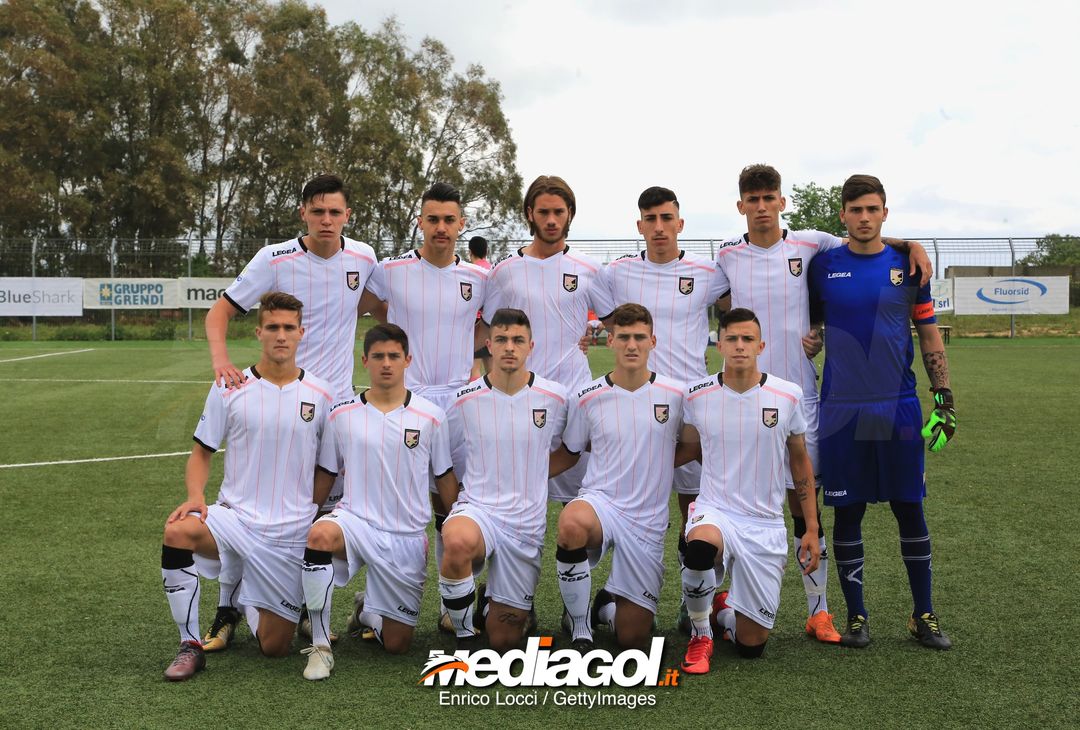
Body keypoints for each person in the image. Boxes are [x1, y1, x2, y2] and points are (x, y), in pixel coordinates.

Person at [712, 163, 934, 644]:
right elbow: (695, 297)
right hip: (744, 396)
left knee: (804, 499)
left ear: (782, 201)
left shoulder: (814, 244)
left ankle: (819, 611)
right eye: (753, 199)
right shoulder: (727, 256)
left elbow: (866, 239)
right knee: (738, 498)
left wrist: (909, 244)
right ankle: (729, 597)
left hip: (805, 396)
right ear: (741, 206)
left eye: (770, 197)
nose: (763, 207)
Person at [203, 173, 377, 644]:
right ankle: (225, 610)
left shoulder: (364, 258)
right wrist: (222, 363)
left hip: (333, 408)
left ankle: (304, 606)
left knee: (319, 513)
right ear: (303, 212)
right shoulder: (273, 258)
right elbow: (219, 311)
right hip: (278, 400)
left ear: (347, 215)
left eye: (335, 212)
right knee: (249, 506)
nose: (326, 220)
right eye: (317, 211)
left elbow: (383, 304)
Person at [808, 174, 955, 650]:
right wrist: (812, 338)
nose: (865, 217)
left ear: (885, 213)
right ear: (843, 215)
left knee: (908, 508)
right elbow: (811, 324)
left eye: (873, 209)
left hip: (898, 406)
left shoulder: (909, 266)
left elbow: (929, 334)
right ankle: (856, 616)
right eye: (856, 209)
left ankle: (924, 614)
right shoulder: (822, 266)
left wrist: (944, 398)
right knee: (847, 512)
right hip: (842, 409)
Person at [160, 292, 334, 681]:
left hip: (289, 533)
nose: (281, 335)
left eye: (289, 327)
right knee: (178, 531)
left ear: (301, 333)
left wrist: (312, 509)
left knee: (275, 648)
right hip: (235, 519)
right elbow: (202, 452)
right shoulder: (229, 386)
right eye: (273, 327)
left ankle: (243, 600)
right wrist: (194, 498)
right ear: (259, 332)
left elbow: (328, 466)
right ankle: (189, 645)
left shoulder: (321, 395)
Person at [357, 181, 490, 632]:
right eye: (432, 219)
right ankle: (379, 602)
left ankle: (454, 603)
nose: (441, 227)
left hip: (459, 401)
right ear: (420, 222)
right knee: (398, 503)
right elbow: (369, 305)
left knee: (456, 502)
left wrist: (470, 359)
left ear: (461, 225)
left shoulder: (478, 278)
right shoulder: (391, 270)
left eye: (449, 220)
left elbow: (487, 328)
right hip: (404, 401)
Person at [597, 186, 727, 630]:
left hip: (689, 409)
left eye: (666, 218)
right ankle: (615, 592)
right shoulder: (617, 273)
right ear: (639, 226)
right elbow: (579, 308)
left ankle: (696, 607)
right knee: (630, 503)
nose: (658, 227)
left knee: (694, 507)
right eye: (650, 219)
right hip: (634, 406)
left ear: (680, 223)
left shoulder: (708, 272)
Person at [299, 323, 457, 680]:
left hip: (405, 537)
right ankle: (321, 647)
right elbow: (326, 471)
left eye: (394, 356)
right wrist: (307, 515)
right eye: (378, 356)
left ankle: (367, 610)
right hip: (355, 521)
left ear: (407, 360)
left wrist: (458, 521)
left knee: (397, 645)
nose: (386, 363)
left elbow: (444, 476)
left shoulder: (432, 416)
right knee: (320, 536)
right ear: (365, 360)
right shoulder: (341, 413)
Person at [676, 308, 820, 675]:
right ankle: (701, 634)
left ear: (761, 345)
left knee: (750, 646)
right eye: (732, 339)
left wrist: (812, 529)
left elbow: (800, 461)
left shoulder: (788, 395)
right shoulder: (696, 395)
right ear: (719, 342)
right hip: (715, 510)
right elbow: (688, 450)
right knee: (699, 547)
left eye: (747, 339)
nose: (740, 346)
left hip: (765, 522)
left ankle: (725, 611)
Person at [550, 303, 685, 650]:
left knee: (634, 638)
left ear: (653, 341)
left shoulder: (676, 395)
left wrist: (653, 462)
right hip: (601, 503)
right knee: (571, 524)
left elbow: (693, 447)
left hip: (647, 518)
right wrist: (521, 476)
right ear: (609, 341)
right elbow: (569, 453)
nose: (631, 345)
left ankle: (605, 608)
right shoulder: (586, 396)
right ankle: (579, 625)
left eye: (640, 337)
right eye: (623, 337)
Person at [439, 308, 569, 651]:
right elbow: (443, 465)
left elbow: (570, 452)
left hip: (525, 524)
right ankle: (464, 637)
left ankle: (489, 602)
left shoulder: (556, 398)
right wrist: (457, 511)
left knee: (504, 641)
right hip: (478, 510)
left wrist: (532, 473)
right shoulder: (462, 401)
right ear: (488, 345)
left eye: (517, 340)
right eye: (501, 340)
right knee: (455, 541)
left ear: (531, 346)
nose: (509, 347)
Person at [485, 175, 614, 505]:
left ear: (570, 213)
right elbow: (488, 332)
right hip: (518, 397)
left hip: (574, 394)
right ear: (530, 214)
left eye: (559, 211)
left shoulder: (588, 268)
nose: (552, 220)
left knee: (583, 500)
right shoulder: (504, 271)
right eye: (543, 212)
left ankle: (577, 558)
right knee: (514, 494)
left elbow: (617, 324)